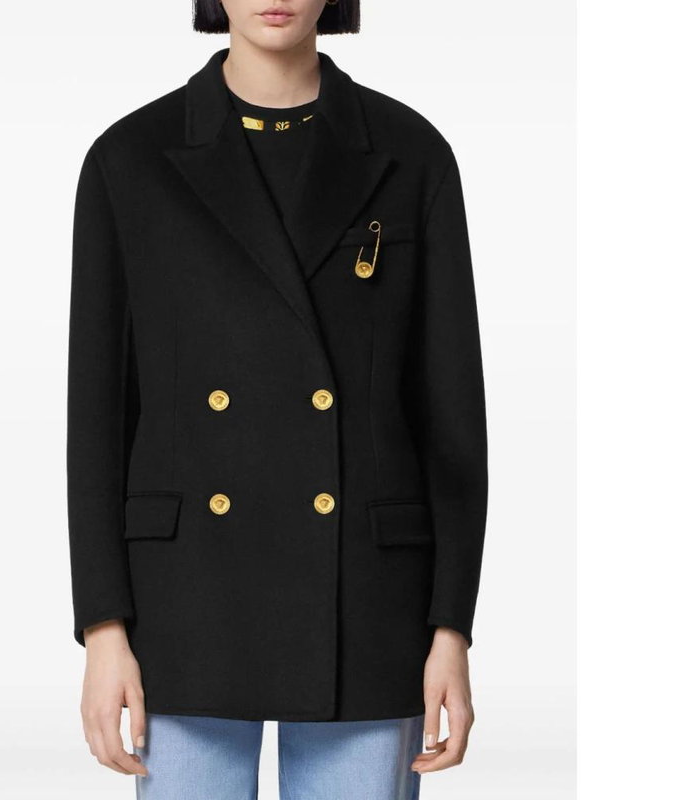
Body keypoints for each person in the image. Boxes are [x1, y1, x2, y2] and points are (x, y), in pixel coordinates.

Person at [66, 1, 488, 798]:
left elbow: (452, 420)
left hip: (367, 603)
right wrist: (103, 627)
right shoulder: (130, 160)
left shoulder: (411, 154)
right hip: (184, 602)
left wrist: (450, 628)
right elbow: (96, 420)